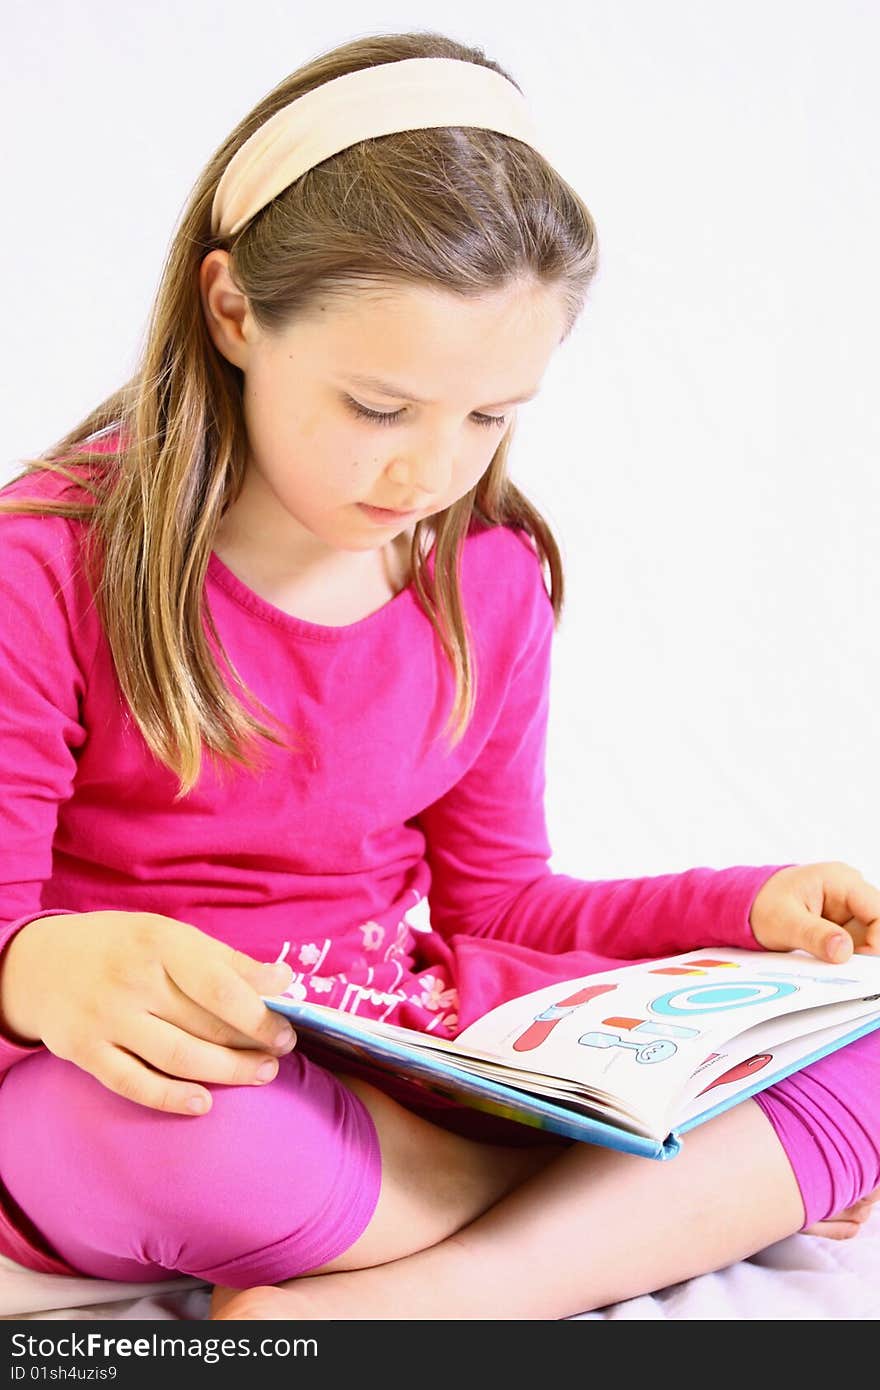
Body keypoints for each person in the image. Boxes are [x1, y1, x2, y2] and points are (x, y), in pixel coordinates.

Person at [0, 31, 877, 1325]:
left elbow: (503, 902)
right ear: (233, 310)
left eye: (489, 416)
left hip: (405, 1051)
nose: (428, 474)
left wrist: (744, 911)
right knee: (152, 1132)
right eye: (377, 405)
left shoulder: (489, 582)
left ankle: (438, 1286)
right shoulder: (46, 561)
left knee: (864, 1048)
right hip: (174, 1079)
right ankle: (591, 1202)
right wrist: (40, 967)